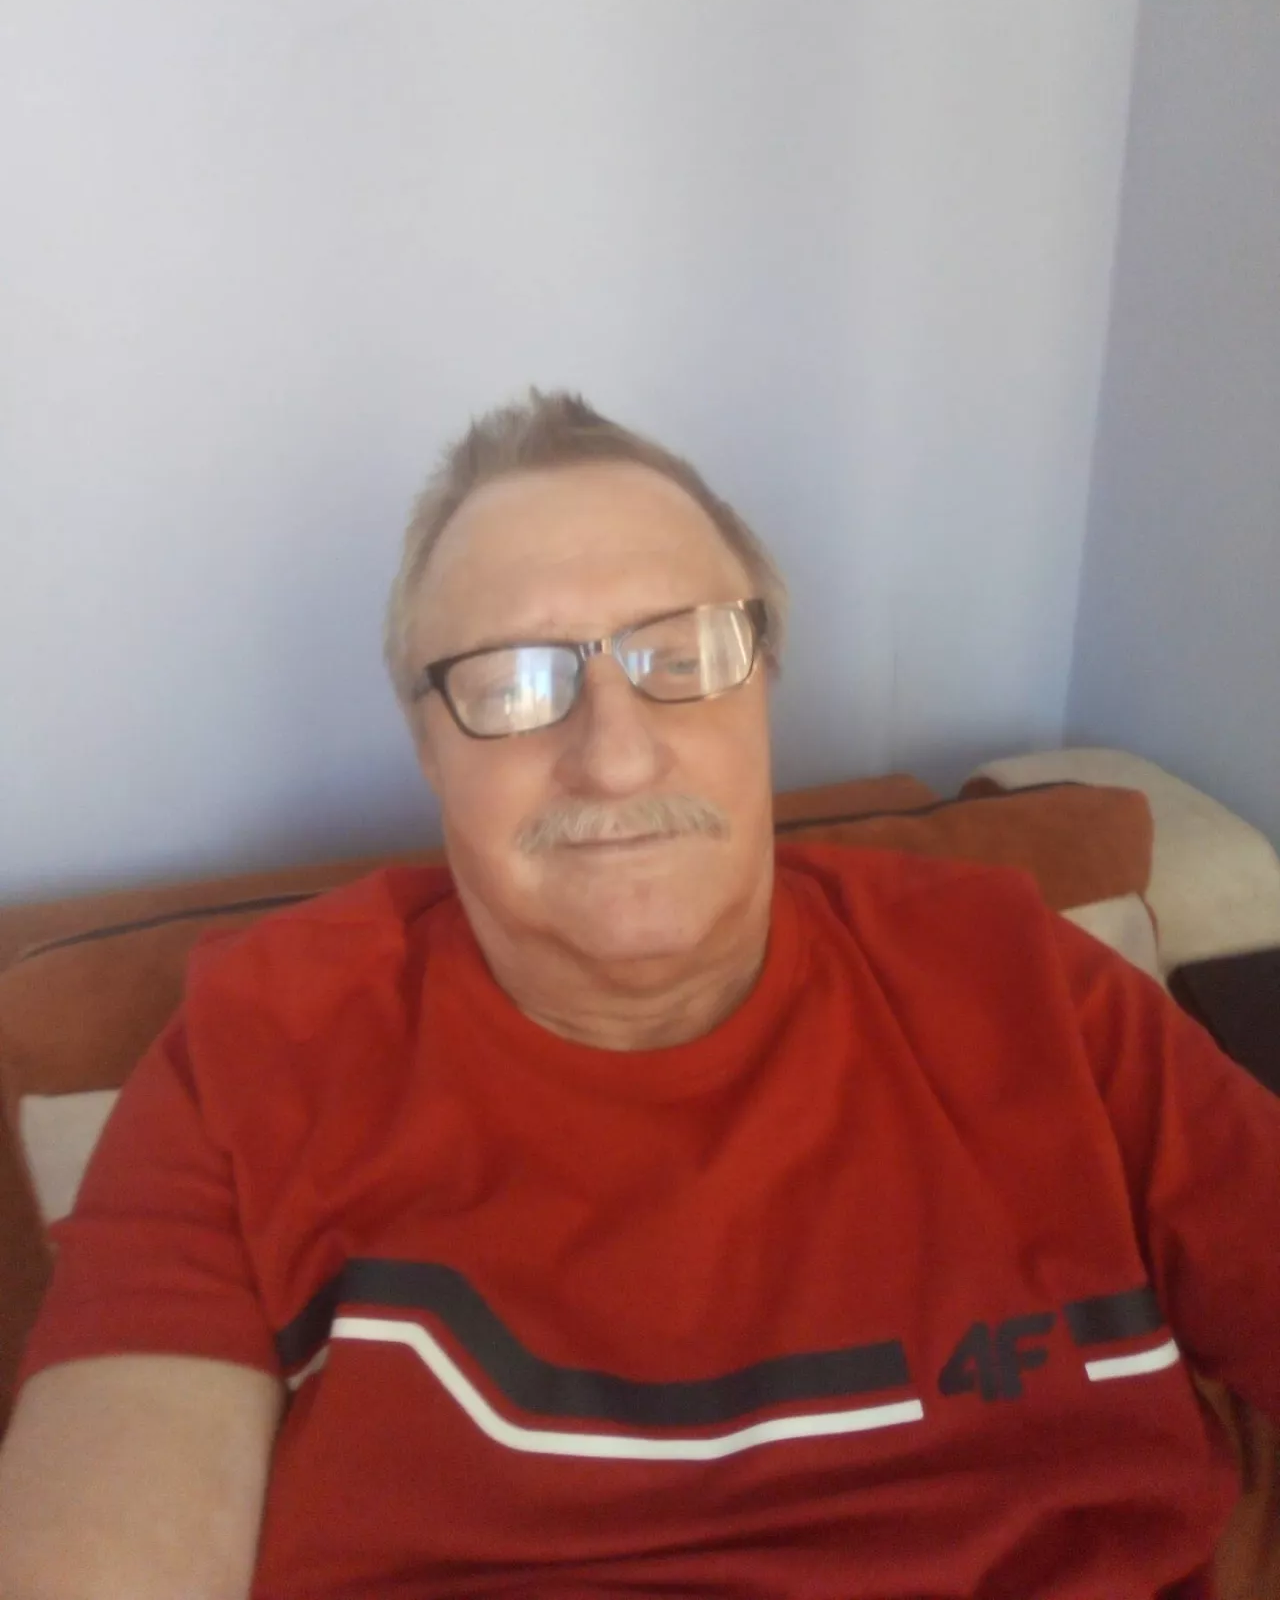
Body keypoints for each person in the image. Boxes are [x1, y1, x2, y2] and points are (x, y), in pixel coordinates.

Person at [0, 391, 1277, 1600]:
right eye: (511, 685)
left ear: (762, 681)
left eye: (681, 654)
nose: (613, 756)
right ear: (428, 745)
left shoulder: (1029, 987)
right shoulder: (258, 1050)